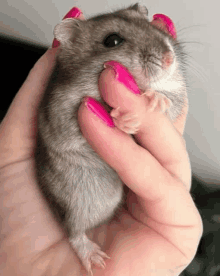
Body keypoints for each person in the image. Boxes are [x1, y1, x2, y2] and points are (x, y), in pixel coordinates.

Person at [0, 7, 203, 276]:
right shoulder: (67, 93)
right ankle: (77, 238)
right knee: (90, 203)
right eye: (114, 41)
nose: (167, 57)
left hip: (122, 189)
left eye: (151, 30)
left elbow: (172, 106)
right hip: (75, 172)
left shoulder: (162, 78)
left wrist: (159, 105)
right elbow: (64, 134)